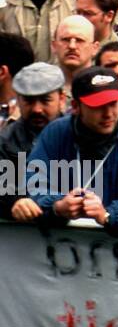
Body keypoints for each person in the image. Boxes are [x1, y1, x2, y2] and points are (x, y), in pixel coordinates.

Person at [15, 67, 118, 238]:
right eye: (98, 106)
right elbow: (33, 185)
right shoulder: (55, 133)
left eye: (113, 104)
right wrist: (57, 206)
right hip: (61, 248)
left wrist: (108, 215)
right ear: (75, 106)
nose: (108, 114)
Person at [0, 62, 63, 217]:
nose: (37, 109)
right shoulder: (5, 141)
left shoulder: (81, 135)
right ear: (18, 100)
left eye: (45, 100)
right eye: (29, 101)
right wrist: (15, 202)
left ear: (61, 99)